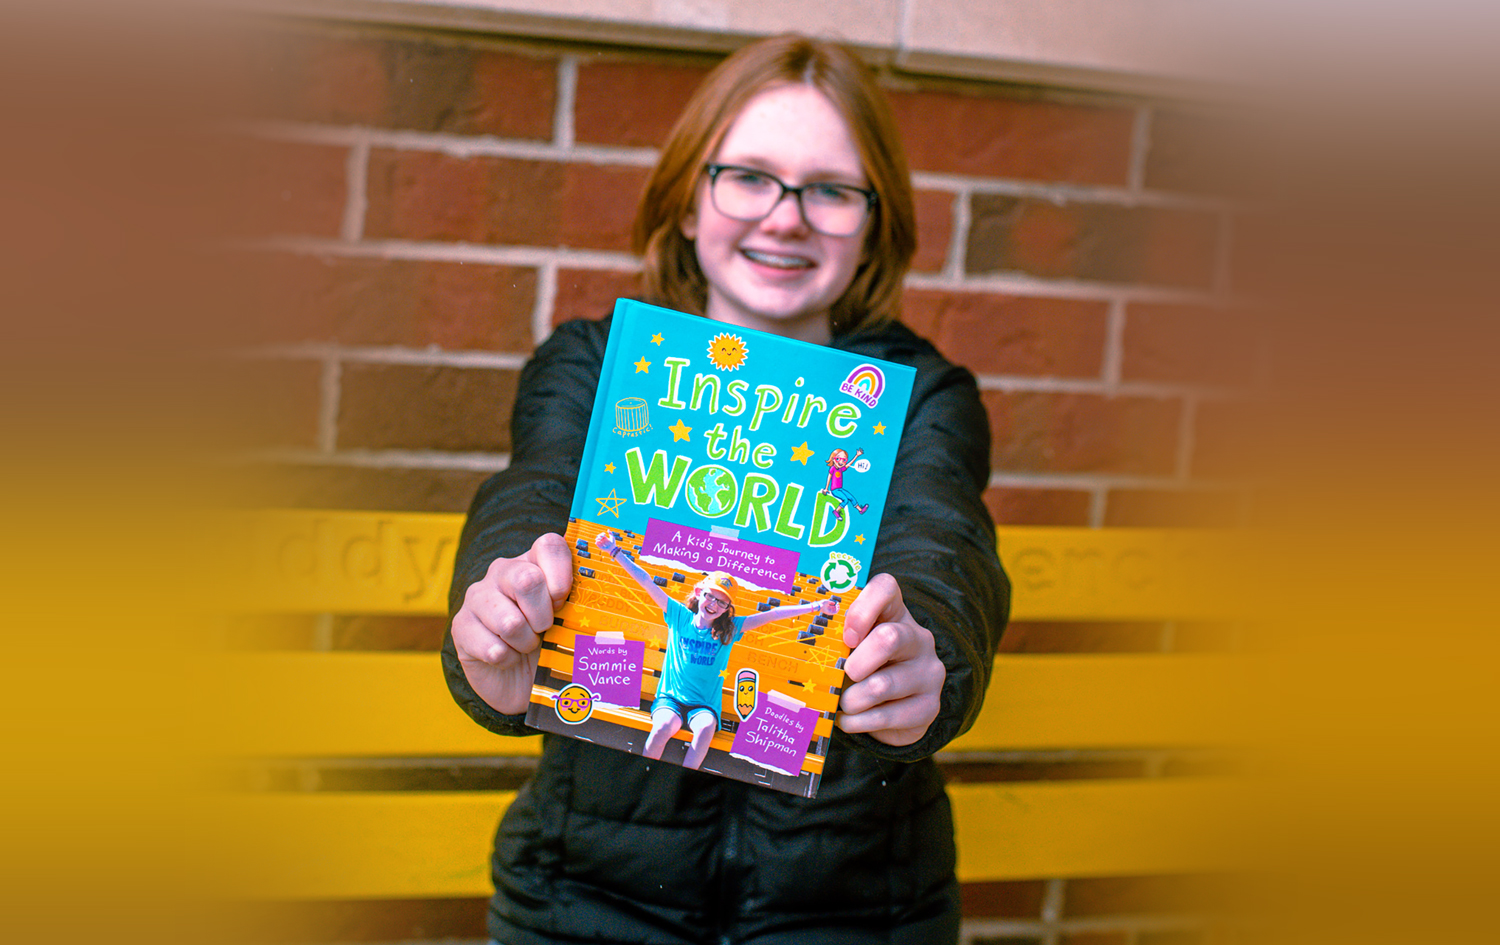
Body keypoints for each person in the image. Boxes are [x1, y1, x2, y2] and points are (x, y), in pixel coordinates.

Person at [444, 33, 1009, 945]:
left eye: (829, 190)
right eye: (749, 176)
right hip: (584, 899)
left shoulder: (924, 399)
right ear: (687, 196)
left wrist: (925, 657)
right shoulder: (593, 368)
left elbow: (943, 547)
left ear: (875, 220)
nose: (786, 217)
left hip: (859, 908)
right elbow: (528, 499)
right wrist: (499, 613)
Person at [594, 531, 841, 770]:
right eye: (711, 597)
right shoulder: (678, 615)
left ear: (727, 609)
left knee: (705, 728)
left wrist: (816, 606)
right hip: (670, 699)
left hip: (704, 705)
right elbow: (646, 582)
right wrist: (615, 551)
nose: (714, 605)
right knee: (661, 728)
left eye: (722, 602)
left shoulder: (731, 629)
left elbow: (772, 615)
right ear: (700, 593)